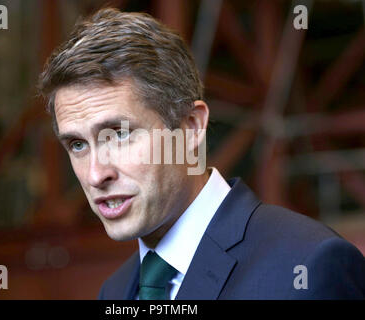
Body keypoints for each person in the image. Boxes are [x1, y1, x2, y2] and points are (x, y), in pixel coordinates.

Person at [38, 8, 365, 300]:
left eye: (119, 135)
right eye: (77, 145)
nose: (96, 175)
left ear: (192, 127)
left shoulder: (308, 266)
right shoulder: (115, 290)